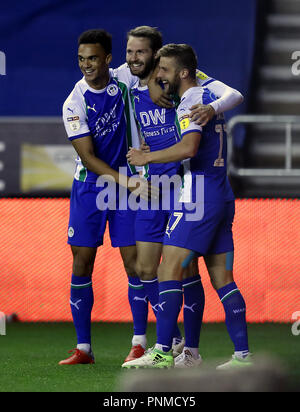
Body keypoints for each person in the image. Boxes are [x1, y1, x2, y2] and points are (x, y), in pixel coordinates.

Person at [124, 43, 251, 369]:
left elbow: (189, 148)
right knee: (223, 277)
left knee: (168, 270)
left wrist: (145, 156)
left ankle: (164, 352)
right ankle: (241, 356)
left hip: (198, 196)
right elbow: (234, 95)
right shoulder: (209, 95)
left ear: (181, 73)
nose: (159, 75)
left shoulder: (191, 101)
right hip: (223, 193)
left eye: (164, 70)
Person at [59, 29, 150, 365]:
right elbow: (88, 159)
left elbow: (152, 61)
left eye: (93, 58)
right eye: (82, 59)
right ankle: (84, 349)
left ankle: (139, 343)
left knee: (135, 264)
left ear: (108, 59)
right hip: (91, 187)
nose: (87, 65)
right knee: (82, 262)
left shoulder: (124, 79)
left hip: (126, 188)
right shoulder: (73, 102)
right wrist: (127, 182)